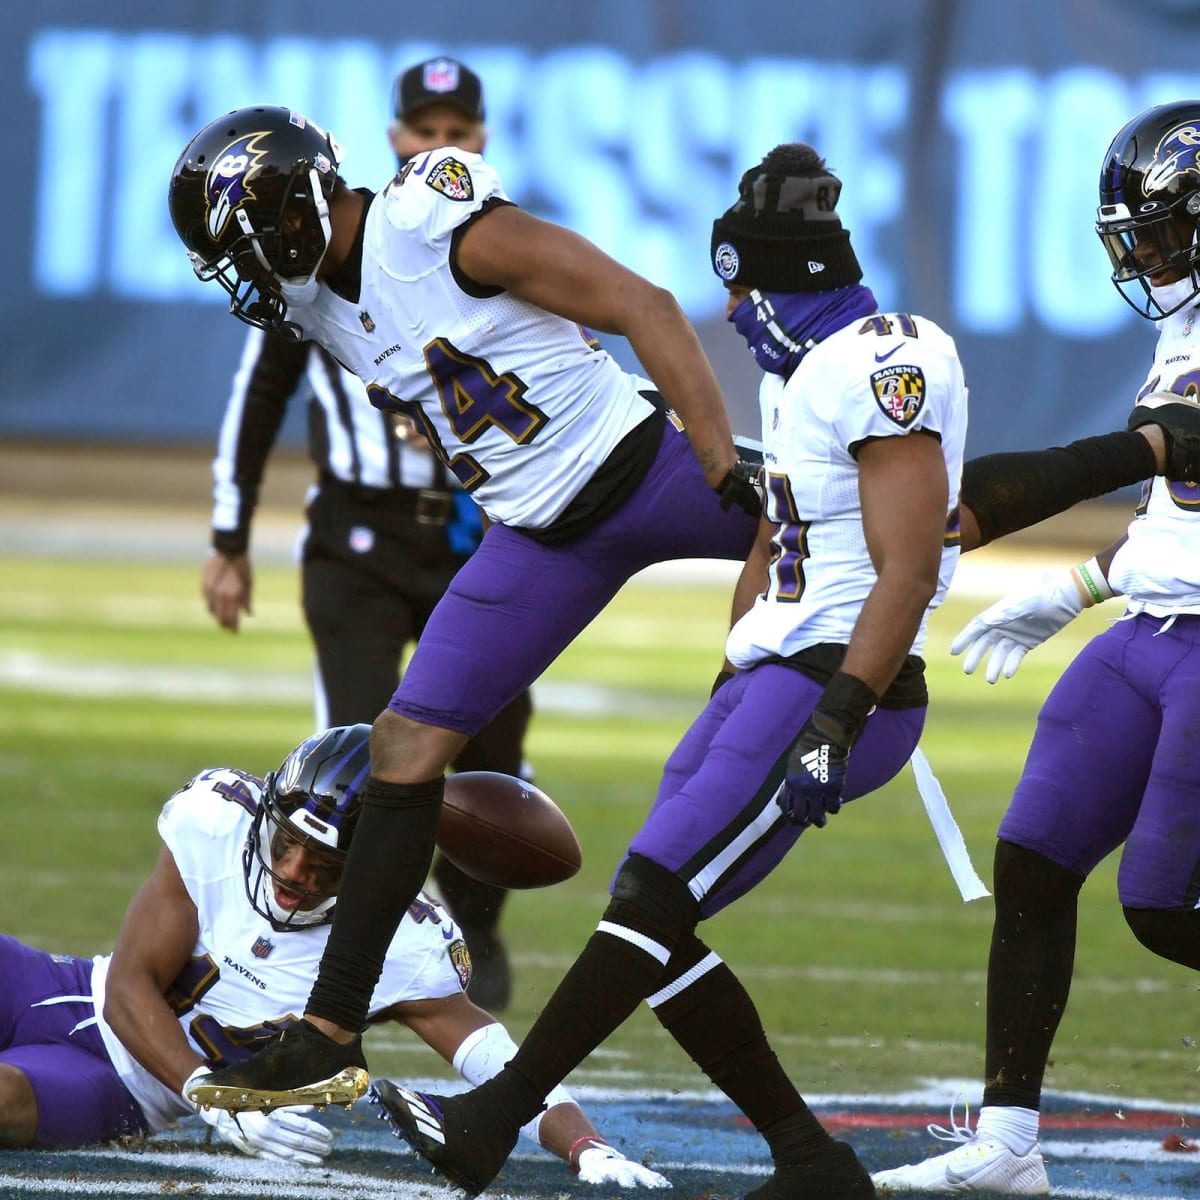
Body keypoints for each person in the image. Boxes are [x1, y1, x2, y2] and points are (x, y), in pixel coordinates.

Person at [365, 141, 970, 1200]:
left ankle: (492, 1122)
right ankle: (811, 1161)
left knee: (649, 893)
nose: (731, 317)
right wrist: (735, 669)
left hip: (836, 686)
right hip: (774, 673)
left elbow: (909, 568)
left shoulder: (881, 361)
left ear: (774, 278)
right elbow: (781, 547)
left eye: (738, 293)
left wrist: (833, 721)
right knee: (655, 912)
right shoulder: (809, 369)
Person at [166, 101, 763, 1108]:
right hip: (535, 537)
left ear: (296, 208)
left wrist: (719, 464)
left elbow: (646, 304)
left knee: (856, 523)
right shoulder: (315, 303)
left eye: (250, 248)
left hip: (640, 465)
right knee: (401, 750)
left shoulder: (428, 217)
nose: (253, 278)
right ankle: (327, 1030)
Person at [868, 98, 1200, 1195]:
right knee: (1035, 858)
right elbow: (1182, 501)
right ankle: (1009, 1144)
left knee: (1163, 906)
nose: (1142, 256)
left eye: (1156, 232)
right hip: (1150, 631)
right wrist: (1080, 584)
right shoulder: (1182, 326)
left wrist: (995, 506)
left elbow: (1177, 444)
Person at [0, 724, 669, 1187]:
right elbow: (128, 990)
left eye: (325, 865)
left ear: (373, 869)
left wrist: (585, 1145)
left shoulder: (403, 944)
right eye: (285, 844)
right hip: (63, 987)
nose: (293, 872)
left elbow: (504, 1065)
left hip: (120, 1087)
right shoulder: (214, 822)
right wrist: (214, 1096)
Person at [201, 56, 522, 1012]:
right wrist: (229, 535)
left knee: (496, 755)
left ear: (479, 141)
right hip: (358, 541)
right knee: (357, 753)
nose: (438, 146)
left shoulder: (490, 241)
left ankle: (474, 934)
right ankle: (320, 963)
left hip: (477, 538)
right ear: (395, 139)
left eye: (455, 132)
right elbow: (261, 391)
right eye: (423, 130)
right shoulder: (320, 248)